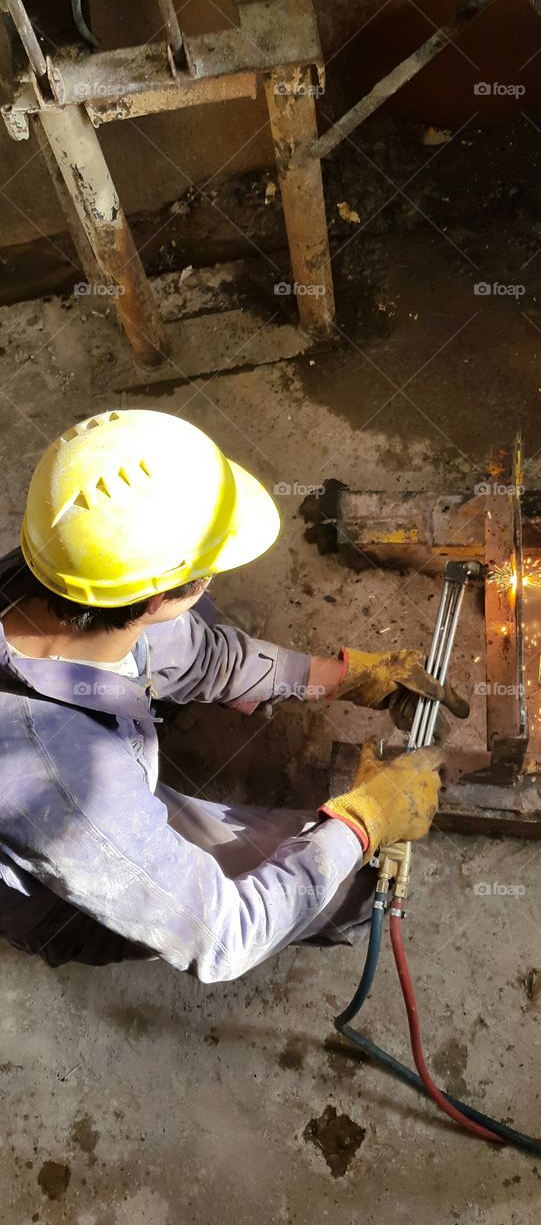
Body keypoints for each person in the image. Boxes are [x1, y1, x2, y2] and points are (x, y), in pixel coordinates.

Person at [0, 409, 466, 981]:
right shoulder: (69, 790)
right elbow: (225, 937)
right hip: (59, 888)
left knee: (202, 624)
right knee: (350, 883)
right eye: (204, 568)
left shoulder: (65, 565)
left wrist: (344, 677)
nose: (214, 574)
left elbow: (201, 655)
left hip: (90, 754)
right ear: (151, 599)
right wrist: (363, 823)